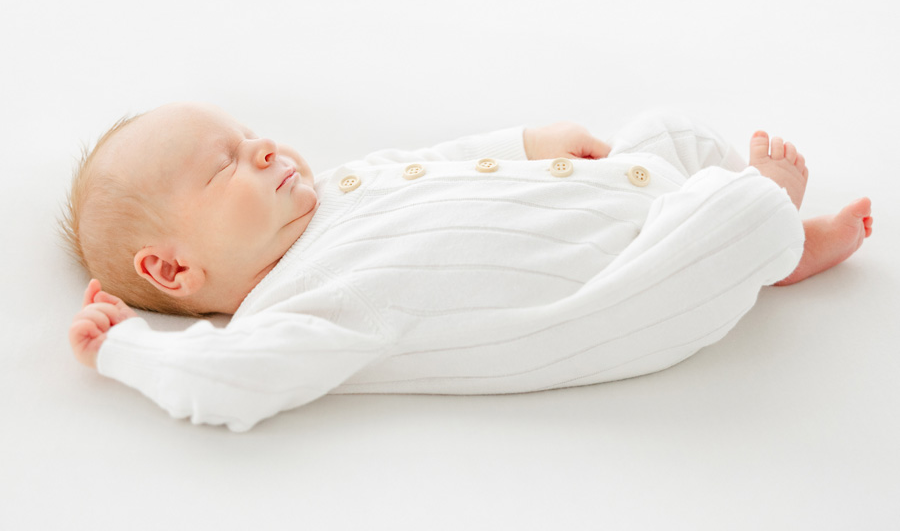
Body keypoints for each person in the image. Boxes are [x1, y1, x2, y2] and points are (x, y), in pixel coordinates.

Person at [62, 103, 873, 431]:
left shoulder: (340, 187)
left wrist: (525, 146)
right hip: (620, 288)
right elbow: (227, 384)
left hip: (605, 202)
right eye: (226, 167)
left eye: (248, 137)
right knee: (729, 221)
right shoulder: (300, 310)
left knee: (674, 136)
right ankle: (768, 228)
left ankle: (778, 247)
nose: (265, 149)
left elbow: (435, 160)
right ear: (172, 272)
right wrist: (127, 349)